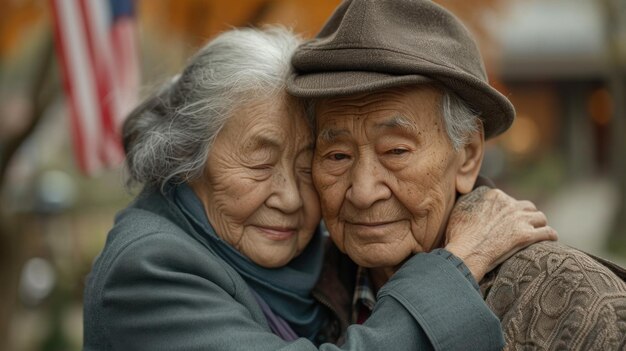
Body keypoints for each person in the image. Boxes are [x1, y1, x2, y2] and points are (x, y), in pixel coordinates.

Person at [83, 26, 551, 351]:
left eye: (311, 164)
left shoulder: (329, 264)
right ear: (186, 159)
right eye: (260, 161)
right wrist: (456, 266)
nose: (288, 198)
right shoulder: (147, 270)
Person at [287, 0, 626, 349]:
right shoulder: (292, 287)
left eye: (396, 151)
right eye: (338, 155)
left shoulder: (574, 302)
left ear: (468, 155)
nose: (363, 191)